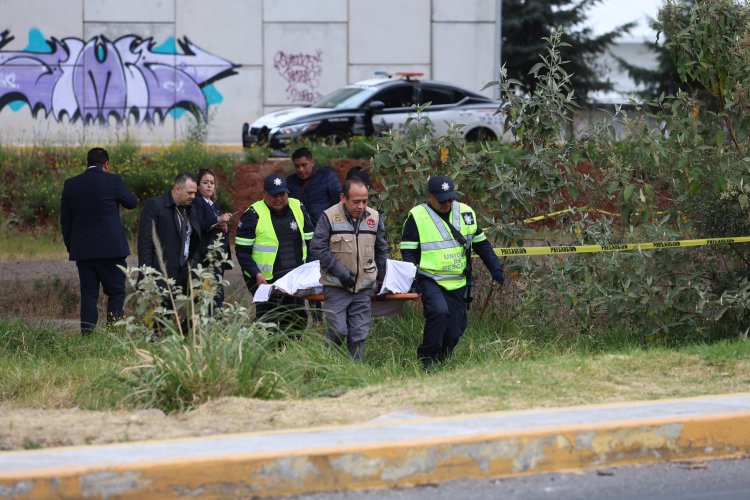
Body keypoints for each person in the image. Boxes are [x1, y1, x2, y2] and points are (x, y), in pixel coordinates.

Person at [400, 175, 505, 370]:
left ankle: (442, 357)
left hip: (458, 281)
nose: (447, 203)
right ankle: (427, 358)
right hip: (429, 278)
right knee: (439, 313)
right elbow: (408, 252)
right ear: (430, 197)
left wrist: (496, 270)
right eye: (442, 200)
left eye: (450, 199)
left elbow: (482, 245)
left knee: (456, 328)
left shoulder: (466, 212)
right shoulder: (417, 216)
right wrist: (412, 280)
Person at [60, 147, 137, 335]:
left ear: (87, 163)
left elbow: (65, 221)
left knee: (88, 296)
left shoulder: (71, 184)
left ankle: (87, 336)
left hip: (84, 252)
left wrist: (73, 247)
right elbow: (132, 202)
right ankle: (113, 334)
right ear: (106, 164)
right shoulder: (112, 180)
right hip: (111, 250)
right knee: (116, 293)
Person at [310, 178, 389, 361]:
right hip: (336, 286)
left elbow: (381, 249)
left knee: (359, 335)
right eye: (356, 201)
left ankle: (356, 371)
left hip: (364, 287)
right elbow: (317, 247)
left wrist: (382, 279)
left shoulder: (374, 218)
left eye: (365, 201)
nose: (361, 206)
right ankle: (324, 363)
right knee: (338, 331)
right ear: (343, 198)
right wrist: (340, 271)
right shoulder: (329, 217)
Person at [235, 173, 314, 329]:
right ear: (264, 194)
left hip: (294, 279)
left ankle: (288, 351)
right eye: (274, 195)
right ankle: (268, 352)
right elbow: (242, 253)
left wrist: (309, 271)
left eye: (282, 194)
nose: (279, 198)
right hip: (265, 282)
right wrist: (256, 274)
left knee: (297, 321)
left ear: (287, 193)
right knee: (267, 323)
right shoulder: (252, 215)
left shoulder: (298, 207)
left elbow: (311, 242)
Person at [137, 172, 201, 295]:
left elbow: (193, 238)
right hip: (160, 276)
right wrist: (147, 276)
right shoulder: (155, 205)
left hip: (184, 274)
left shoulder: (191, 208)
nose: (193, 196)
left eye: (195, 193)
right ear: (177, 189)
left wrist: (193, 262)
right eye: (189, 193)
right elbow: (145, 243)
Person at [192, 168, 234, 308]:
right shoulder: (197, 202)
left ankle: (215, 324)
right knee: (209, 294)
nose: (209, 185)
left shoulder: (213, 204)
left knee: (218, 292)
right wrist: (218, 219)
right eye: (205, 182)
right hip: (206, 257)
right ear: (198, 186)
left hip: (217, 257)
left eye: (212, 182)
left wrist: (225, 228)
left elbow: (219, 227)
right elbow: (198, 225)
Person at [287, 147, 342, 227]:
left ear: (312, 162)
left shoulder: (327, 176)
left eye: (304, 165)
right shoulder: (290, 181)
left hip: (325, 227)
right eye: (297, 166)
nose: (301, 169)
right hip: (299, 229)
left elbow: (339, 201)